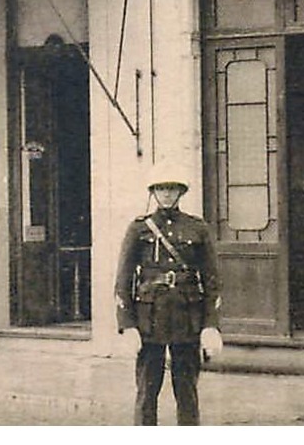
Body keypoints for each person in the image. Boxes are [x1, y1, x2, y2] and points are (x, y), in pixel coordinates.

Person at [114, 170, 222, 426]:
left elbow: (212, 281)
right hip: (149, 320)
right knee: (147, 391)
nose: (167, 194)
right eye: (161, 189)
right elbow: (123, 280)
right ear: (153, 192)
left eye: (172, 189)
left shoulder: (197, 228)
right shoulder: (139, 228)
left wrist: (211, 325)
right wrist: (127, 325)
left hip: (187, 318)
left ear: (181, 193)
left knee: (187, 392)